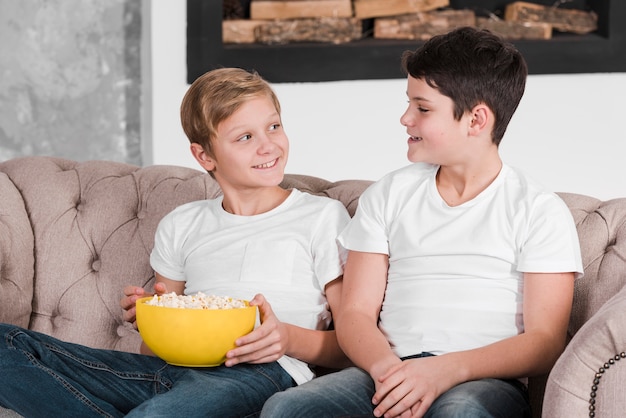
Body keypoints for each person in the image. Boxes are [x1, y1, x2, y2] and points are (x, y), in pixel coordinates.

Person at [260, 26, 583, 418]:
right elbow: (356, 314)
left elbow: (545, 342)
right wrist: (390, 373)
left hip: (480, 381)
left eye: (423, 108)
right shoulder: (389, 194)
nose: (405, 118)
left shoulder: (538, 210)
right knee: (286, 410)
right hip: (389, 369)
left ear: (476, 120)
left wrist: (444, 370)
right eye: (408, 103)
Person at [0, 68, 351, 418]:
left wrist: (287, 339)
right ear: (204, 156)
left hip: (264, 372)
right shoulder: (183, 224)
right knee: (5, 346)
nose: (268, 145)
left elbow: (351, 345)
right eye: (245, 137)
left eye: (273, 126)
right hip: (170, 370)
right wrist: (153, 318)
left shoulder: (321, 217)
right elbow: (153, 350)